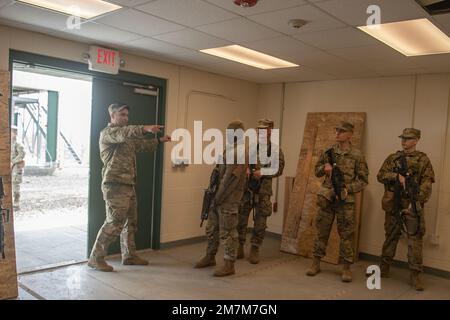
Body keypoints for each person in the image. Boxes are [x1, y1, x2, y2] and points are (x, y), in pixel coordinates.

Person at [88, 103, 171, 272]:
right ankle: (96, 258)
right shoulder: (109, 133)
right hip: (115, 185)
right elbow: (125, 133)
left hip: (128, 184)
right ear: (112, 116)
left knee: (130, 223)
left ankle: (129, 256)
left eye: (127, 115)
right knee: (114, 222)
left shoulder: (126, 137)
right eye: (122, 115)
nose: (125, 118)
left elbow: (140, 146)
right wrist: (145, 128)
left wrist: (159, 140)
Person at [306, 121, 368, 282]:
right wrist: (324, 170)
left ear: (350, 134)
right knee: (322, 232)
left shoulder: (357, 155)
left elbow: (363, 180)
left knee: (347, 234)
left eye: (341, 131)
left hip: (346, 200)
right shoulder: (328, 152)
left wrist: (348, 188)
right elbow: (317, 171)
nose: (337, 133)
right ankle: (316, 263)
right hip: (327, 198)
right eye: (336, 130)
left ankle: (346, 268)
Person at [377, 128, 435, 291]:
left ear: (416, 140)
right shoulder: (393, 158)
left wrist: (416, 203)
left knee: (414, 240)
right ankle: (384, 268)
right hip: (394, 202)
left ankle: (415, 275)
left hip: (412, 203)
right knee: (390, 235)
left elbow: (427, 184)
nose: (404, 141)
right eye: (403, 138)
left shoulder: (423, 160)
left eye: (408, 139)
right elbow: (380, 175)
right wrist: (396, 177)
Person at [195, 120, 248, 277]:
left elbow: (229, 180)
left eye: (231, 133)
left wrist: (217, 198)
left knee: (228, 232)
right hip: (218, 197)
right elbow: (219, 174)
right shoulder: (229, 149)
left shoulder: (240, 152)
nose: (228, 135)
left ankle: (229, 264)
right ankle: (210, 256)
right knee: (212, 228)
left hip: (228, 199)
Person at [236, 118, 284, 264]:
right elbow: (241, 163)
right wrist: (245, 169)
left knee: (260, 222)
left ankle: (255, 248)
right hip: (247, 190)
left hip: (263, 191)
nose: (260, 132)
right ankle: (239, 245)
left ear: (270, 131)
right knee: (241, 219)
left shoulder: (275, 150)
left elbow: (279, 169)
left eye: (264, 129)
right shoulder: (250, 148)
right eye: (259, 129)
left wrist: (263, 172)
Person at [11, 126, 25, 210]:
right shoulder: (10, 142)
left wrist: (13, 161)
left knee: (15, 185)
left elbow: (22, 154)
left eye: (12, 132)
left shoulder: (18, 143)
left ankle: (16, 204)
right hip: (11, 166)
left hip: (16, 167)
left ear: (15, 133)